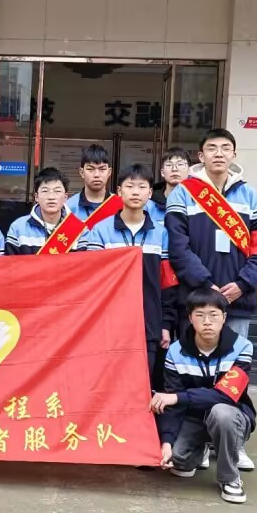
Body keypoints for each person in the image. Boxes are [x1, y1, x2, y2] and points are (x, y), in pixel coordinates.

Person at [165, 128, 257, 343]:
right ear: (201, 156)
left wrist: (243, 284)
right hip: (195, 299)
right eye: (212, 148)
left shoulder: (251, 196)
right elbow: (177, 247)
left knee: (234, 361)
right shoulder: (182, 193)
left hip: (238, 300)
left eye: (225, 148)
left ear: (234, 154)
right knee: (192, 361)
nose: (219, 154)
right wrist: (204, 284)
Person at [151, 288, 256, 504]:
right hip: (193, 417)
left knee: (221, 413)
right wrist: (166, 442)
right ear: (190, 318)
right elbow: (171, 402)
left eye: (213, 315)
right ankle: (200, 449)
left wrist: (179, 397)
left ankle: (230, 478)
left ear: (224, 317)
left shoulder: (242, 347)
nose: (207, 322)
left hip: (232, 415)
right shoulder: (175, 351)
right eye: (200, 315)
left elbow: (226, 396)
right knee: (177, 460)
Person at [85, 165, 180, 385]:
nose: (135, 192)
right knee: (108, 384)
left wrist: (166, 324)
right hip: (109, 324)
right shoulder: (100, 231)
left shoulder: (161, 234)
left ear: (150, 193)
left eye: (142, 187)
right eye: (129, 186)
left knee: (143, 384)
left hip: (149, 323)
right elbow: (93, 280)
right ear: (119, 191)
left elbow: (167, 285)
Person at [6, 167, 86, 255]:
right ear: (36, 197)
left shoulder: (79, 229)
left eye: (57, 191)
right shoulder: (18, 227)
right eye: (45, 191)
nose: (51, 197)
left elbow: (83, 262)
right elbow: (11, 262)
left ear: (66, 197)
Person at [66, 144, 113, 222]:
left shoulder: (121, 207)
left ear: (109, 172)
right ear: (82, 172)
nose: (97, 175)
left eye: (102, 169)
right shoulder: (69, 207)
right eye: (90, 169)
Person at [151, 147, 191, 225]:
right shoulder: (150, 201)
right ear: (162, 172)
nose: (174, 169)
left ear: (189, 171)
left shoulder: (198, 201)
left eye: (180, 164)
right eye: (169, 165)